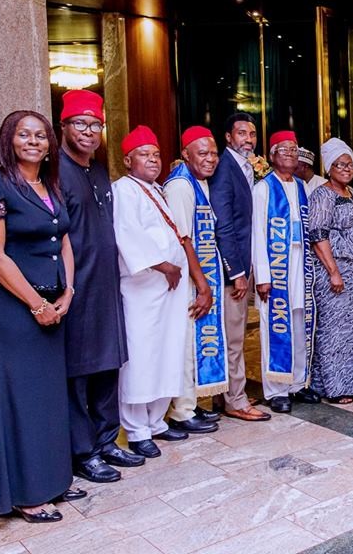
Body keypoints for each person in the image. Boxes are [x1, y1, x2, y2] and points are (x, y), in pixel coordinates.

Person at [0, 110, 82, 522]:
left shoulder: (50, 184)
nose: (33, 141)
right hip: (15, 311)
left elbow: (64, 241)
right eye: (23, 134)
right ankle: (25, 494)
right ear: (9, 140)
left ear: (50, 144)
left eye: (40, 135)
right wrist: (37, 304)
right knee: (21, 402)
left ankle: (53, 481)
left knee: (48, 402)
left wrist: (67, 291)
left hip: (54, 306)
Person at [57, 90, 141, 484]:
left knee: (109, 364)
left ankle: (107, 440)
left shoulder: (100, 170)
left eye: (95, 125)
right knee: (79, 372)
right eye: (80, 124)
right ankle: (83, 451)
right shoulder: (55, 171)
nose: (89, 132)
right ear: (64, 125)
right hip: (76, 288)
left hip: (107, 285)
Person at [112, 126, 191, 458]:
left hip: (168, 291)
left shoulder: (156, 190)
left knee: (167, 351)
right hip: (143, 290)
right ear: (128, 160)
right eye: (144, 154)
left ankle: (156, 421)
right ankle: (136, 429)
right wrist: (165, 266)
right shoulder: (123, 190)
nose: (153, 160)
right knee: (142, 357)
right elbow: (128, 236)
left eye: (156, 154)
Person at [252, 131, 320, 414]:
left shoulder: (301, 186)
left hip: (300, 263)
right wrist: (264, 277)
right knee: (276, 327)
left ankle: (297, 383)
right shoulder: (263, 188)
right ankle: (276, 389)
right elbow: (257, 233)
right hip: (277, 266)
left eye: (294, 150)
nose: (290, 155)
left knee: (299, 324)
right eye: (284, 150)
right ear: (272, 156)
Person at [164, 127, 226, 435]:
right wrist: (202, 284)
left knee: (195, 341)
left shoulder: (199, 182)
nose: (210, 159)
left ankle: (191, 405)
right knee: (187, 343)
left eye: (213, 153)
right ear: (186, 154)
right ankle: (181, 411)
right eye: (202, 153)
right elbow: (183, 239)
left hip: (199, 273)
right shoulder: (180, 186)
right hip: (188, 279)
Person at [307, 138, 353, 402]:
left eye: (350, 164)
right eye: (340, 164)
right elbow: (317, 234)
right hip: (334, 270)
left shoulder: (352, 193)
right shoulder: (322, 195)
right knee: (335, 329)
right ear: (329, 167)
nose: (346, 169)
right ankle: (335, 387)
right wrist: (333, 271)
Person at [209, 113, 270, 422]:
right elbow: (224, 224)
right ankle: (236, 399)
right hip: (230, 268)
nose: (249, 139)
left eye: (253, 134)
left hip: (241, 263)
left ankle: (226, 393)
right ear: (229, 138)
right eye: (242, 133)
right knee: (234, 336)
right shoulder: (224, 169)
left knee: (232, 334)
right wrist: (236, 272)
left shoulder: (244, 166)